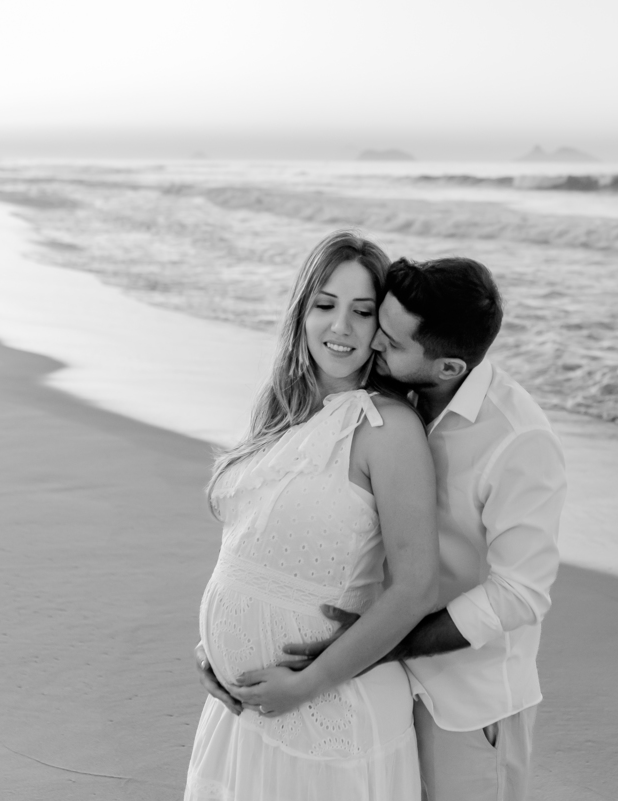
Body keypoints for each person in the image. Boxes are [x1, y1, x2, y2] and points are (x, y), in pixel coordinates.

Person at [198, 255, 567, 801]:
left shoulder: (518, 440)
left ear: (448, 369)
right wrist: (223, 640)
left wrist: (373, 648)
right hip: (371, 684)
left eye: (387, 338)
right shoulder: (383, 399)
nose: (371, 344)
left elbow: (521, 594)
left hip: (464, 701)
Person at [184, 231, 439, 801]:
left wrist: (309, 684)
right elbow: (255, 548)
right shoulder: (282, 416)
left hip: (330, 713)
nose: (340, 327)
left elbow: (417, 586)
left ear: (382, 329)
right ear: (302, 312)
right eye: (325, 305)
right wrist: (216, 651)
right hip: (244, 711)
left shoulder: (386, 428)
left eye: (362, 311)